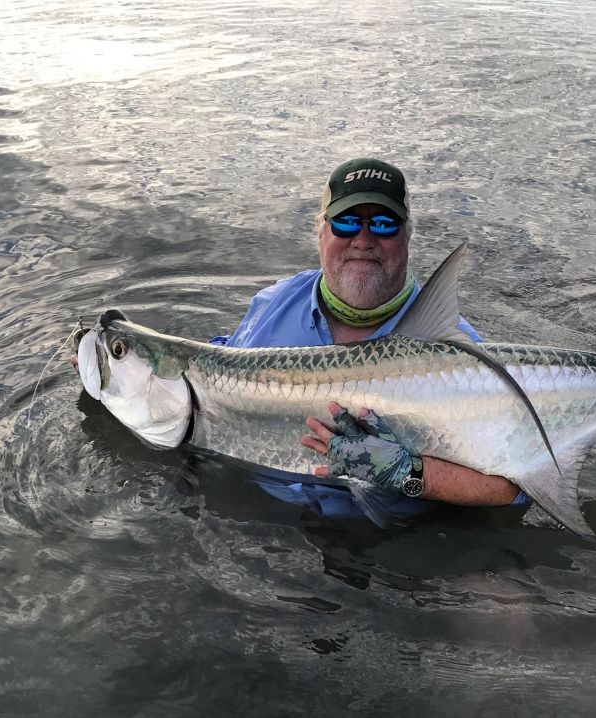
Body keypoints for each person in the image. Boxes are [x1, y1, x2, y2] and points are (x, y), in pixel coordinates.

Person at [210, 157, 527, 520]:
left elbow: (513, 491)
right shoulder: (272, 305)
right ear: (320, 231)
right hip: (266, 523)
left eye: (383, 223)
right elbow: (219, 371)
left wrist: (411, 475)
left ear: (407, 237)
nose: (363, 240)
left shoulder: (454, 353)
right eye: (345, 223)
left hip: (389, 546)